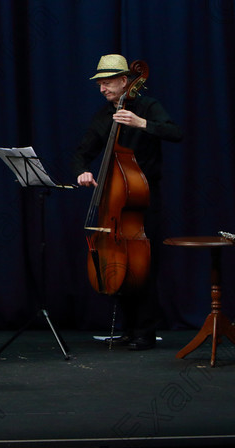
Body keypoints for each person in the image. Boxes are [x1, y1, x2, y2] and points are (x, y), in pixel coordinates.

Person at [71, 54, 183, 351]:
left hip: (143, 200)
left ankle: (145, 332)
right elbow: (82, 152)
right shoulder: (103, 115)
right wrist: (82, 170)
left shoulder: (147, 106)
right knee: (118, 264)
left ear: (125, 81)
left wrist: (141, 123)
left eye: (107, 83)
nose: (102, 89)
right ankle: (128, 329)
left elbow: (175, 132)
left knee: (142, 268)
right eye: (99, 84)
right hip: (115, 204)